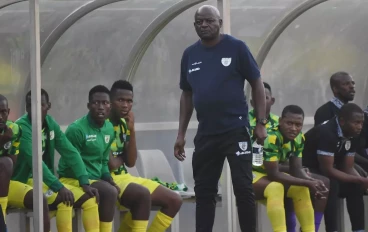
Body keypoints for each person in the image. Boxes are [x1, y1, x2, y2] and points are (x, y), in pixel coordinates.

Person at [174, 5, 267, 232]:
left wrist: (260, 123)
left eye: (209, 21)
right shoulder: (189, 54)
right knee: (204, 191)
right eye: (199, 22)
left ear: (219, 23)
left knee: (243, 188)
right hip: (206, 133)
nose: (204, 25)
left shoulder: (236, 48)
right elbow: (187, 95)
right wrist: (181, 134)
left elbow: (257, 83)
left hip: (235, 130)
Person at [11, 89, 100, 232]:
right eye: (30, 105)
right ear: (26, 108)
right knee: (64, 199)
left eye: (40, 105)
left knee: (90, 200)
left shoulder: (50, 123)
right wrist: (58, 186)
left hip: (43, 181)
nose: (35, 109)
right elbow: (35, 163)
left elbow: (70, 152)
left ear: (48, 106)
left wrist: (84, 181)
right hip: (24, 181)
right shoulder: (22, 127)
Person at [108, 80, 183, 231]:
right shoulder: (102, 124)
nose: (125, 105)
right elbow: (111, 164)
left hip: (125, 177)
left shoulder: (124, 124)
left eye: (129, 101)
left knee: (174, 200)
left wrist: (132, 130)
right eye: (120, 100)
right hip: (107, 180)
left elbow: (130, 162)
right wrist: (123, 156)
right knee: (142, 196)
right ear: (110, 101)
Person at [252, 105, 328, 232]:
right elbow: (274, 174)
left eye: (298, 125)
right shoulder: (271, 138)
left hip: (268, 176)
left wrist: (312, 183)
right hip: (251, 174)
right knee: (275, 187)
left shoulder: (299, 138)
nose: (294, 128)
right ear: (280, 121)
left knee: (301, 189)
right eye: (289, 123)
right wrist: (309, 182)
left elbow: (296, 169)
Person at [58, 85, 122, 232]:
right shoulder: (77, 129)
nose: (100, 107)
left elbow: (103, 160)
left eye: (105, 103)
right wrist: (85, 182)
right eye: (96, 103)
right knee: (109, 192)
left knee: (113, 189)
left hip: (95, 179)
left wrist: (108, 178)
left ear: (110, 106)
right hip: (71, 178)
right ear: (88, 105)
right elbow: (72, 160)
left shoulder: (108, 128)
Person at [303, 103, 368, 232]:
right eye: (356, 123)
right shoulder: (327, 132)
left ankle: (359, 230)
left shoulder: (353, 133)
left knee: (355, 186)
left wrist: (362, 181)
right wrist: (361, 180)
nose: (360, 127)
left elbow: (347, 167)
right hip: (308, 168)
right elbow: (327, 170)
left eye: (361, 123)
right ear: (342, 121)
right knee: (331, 184)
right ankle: (332, 229)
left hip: (328, 168)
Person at [0, 94, 21, 231]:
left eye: (3, 112)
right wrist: (2, 140)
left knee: (6, 163)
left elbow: (12, 163)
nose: (0, 117)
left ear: (8, 112)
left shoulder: (15, 130)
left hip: (3, 182)